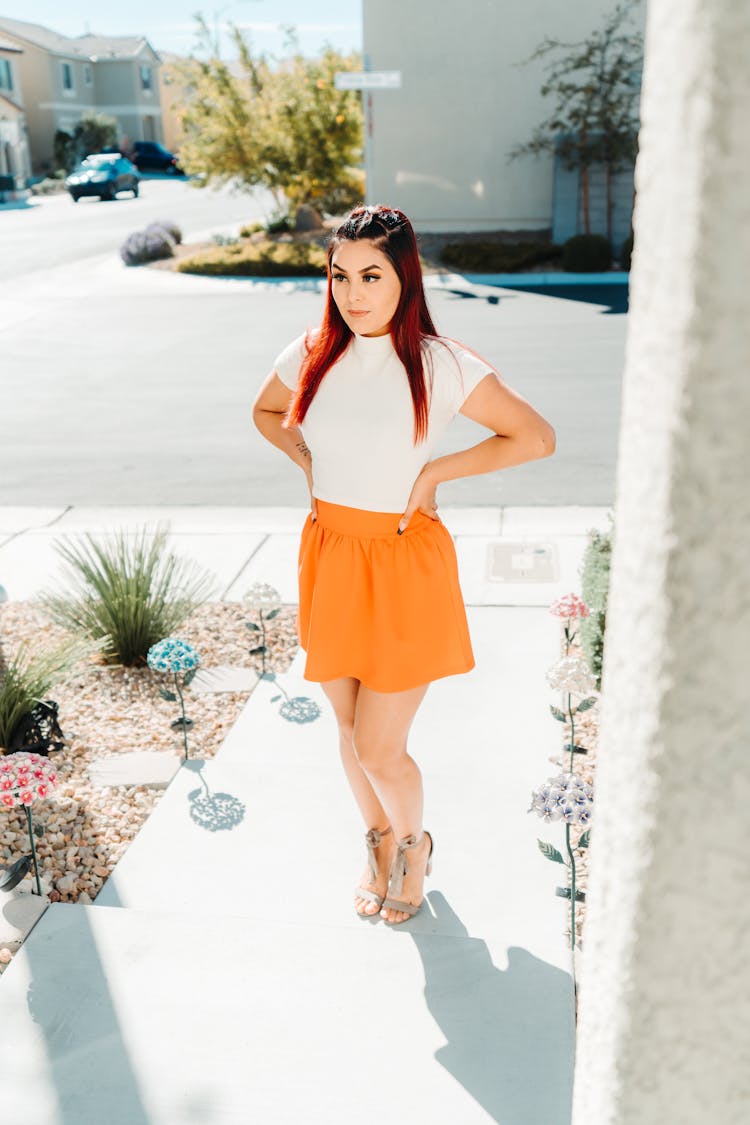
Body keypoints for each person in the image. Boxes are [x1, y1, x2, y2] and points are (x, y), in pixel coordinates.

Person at [252, 204, 556, 924]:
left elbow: (534, 436)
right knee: (347, 726)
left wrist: (433, 476)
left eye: (371, 276)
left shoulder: (441, 363)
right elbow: (268, 414)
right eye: (340, 275)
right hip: (331, 555)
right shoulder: (311, 351)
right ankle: (378, 841)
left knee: (380, 746)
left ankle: (415, 845)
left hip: (400, 565)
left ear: (404, 277)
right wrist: (309, 463)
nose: (353, 293)